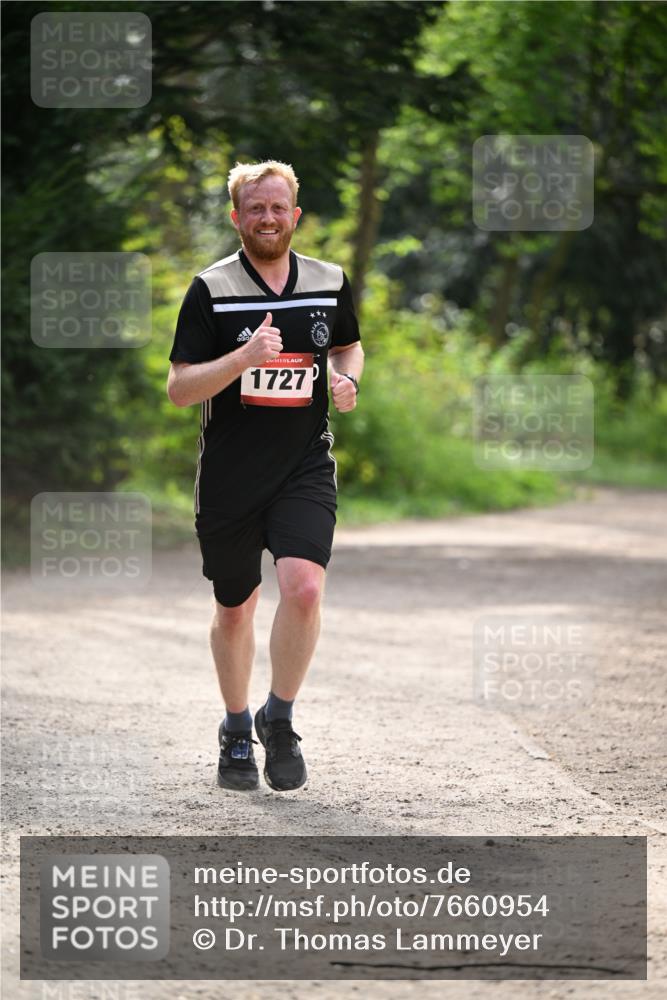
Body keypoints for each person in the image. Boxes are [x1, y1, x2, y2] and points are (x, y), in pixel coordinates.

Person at [167, 160, 364, 792]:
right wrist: (243, 357)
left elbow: (347, 343)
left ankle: (278, 716)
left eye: (279, 208)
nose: (269, 219)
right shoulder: (211, 289)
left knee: (303, 588)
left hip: (303, 464)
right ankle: (233, 726)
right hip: (229, 476)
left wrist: (346, 376)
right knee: (235, 608)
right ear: (236, 217)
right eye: (256, 209)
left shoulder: (329, 281)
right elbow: (179, 387)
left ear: (296, 215)